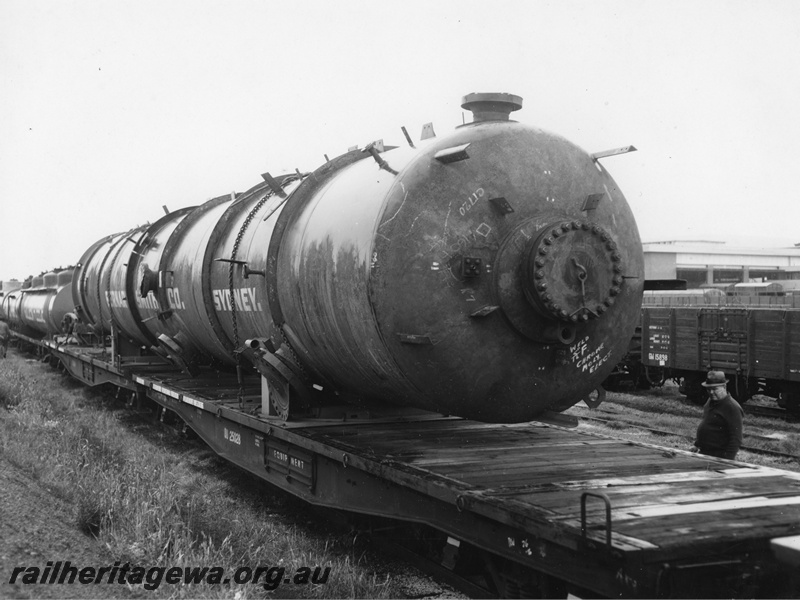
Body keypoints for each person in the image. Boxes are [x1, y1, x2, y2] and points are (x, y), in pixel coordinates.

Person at [692, 371, 744, 460]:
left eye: (715, 389)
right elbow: (707, 423)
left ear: (724, 387)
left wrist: (727, 461)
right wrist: (697, 445)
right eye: (708, 389)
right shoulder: (710, 402)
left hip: (718, 456)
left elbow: (736, 439)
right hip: (704, 453)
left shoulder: (732, 407)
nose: (711, 392)